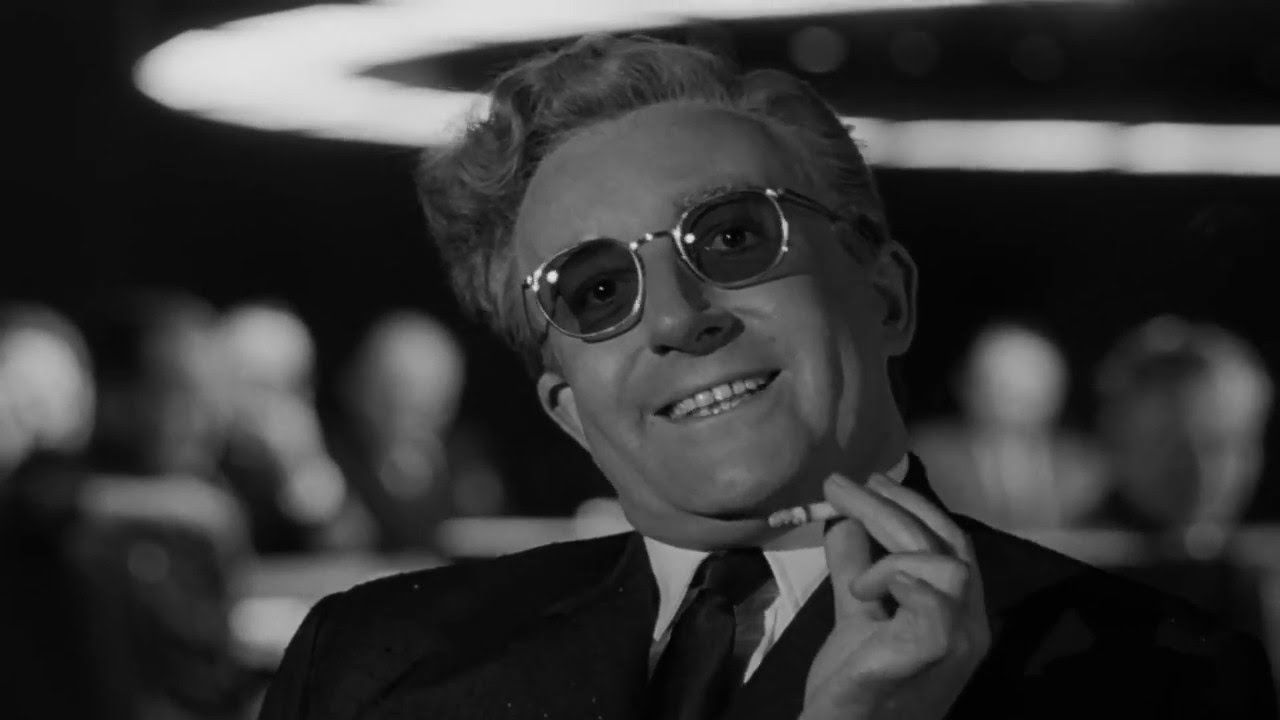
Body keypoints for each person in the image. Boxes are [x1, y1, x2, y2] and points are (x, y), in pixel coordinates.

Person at [260, 35, 1276, 719]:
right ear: (566, 408)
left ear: (885, 295)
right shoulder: (370, 666)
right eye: (597, 291)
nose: (676, 316)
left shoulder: (1156, 678)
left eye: (734, 238)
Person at [330, 310, 506, 554]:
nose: (415, 406)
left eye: (434, 393)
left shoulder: (470, 464)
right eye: (398, 389)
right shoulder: (333, 462)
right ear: (357, 387)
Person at [912, 322, 1105, 531]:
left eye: (1032, 379)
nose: (1020, 397)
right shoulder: (927, 457)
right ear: (970, 387)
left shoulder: (1086, 469)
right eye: (1004, 385)